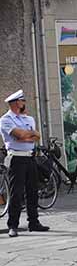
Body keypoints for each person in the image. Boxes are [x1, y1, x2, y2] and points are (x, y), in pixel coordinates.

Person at [0, 90, 50, 237]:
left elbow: (37, 136)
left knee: (32, 191)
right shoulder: (6, 119)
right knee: (16, 193)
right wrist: (26, 136)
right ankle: (13, 225)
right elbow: (20, 135)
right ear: (16, 103)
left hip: (30, 158)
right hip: (16, 159)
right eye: (22, 101)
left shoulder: (29, 119)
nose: (24, 103)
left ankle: (33, 222)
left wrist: (24, 137)